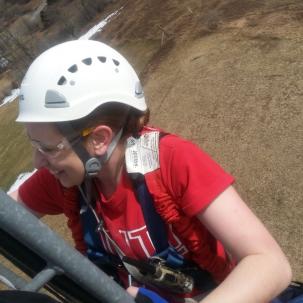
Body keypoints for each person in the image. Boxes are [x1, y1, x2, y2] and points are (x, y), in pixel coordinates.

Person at [10, 39, 292, 303]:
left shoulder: (172, 161)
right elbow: (7, 213)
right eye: (34, 145)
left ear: (98, 139)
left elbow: (269, 263)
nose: (38, 162)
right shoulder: (65, 178)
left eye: (48, 147)